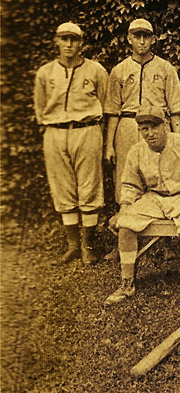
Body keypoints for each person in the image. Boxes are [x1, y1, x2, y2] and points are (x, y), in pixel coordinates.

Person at [104, 105, 180, 309]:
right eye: (144, 129)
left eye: (154, 127)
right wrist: (124, 209)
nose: (150, 133)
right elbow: (130, 185)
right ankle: (127, 283)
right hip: (154, 198)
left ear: (165, 125)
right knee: (125, 223)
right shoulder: (137, 150)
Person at [33, 22, 108, 265]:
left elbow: (105, 106)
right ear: (56, 41)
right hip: (55, 132)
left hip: (87, 130)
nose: (69, 44)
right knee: (62, 187)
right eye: (64, 39)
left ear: (81, 42)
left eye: (73, 39)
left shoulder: (96, 70)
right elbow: (40, 106)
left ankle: (88, 246)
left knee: (89, 185)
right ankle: (73, 245)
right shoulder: (45, 73)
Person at [105, 18, 180, 206]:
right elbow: (113, 111)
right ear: (129, 39)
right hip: (128, 125)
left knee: (159, 174)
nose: (142, 41)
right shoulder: (119, 70)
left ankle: (160, 228)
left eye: (146, 36)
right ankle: (126, 219)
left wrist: (177, 140)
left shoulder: (166, 68)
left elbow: (175, 109)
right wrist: (109, 145)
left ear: (153, 39)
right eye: (137, 36)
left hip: (158, 125)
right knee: (127, 175)